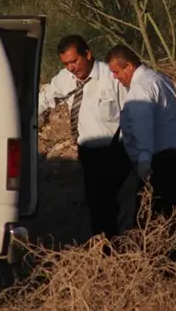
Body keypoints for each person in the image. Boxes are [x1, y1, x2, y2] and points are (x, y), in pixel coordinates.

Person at [38, 35, 133, 240]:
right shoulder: (64, 79)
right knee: (95, 203)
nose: (71, 68)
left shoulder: (111, 77)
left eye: (75, 61)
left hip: (115, 150)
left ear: (88, 55)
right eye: (66, 63)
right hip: (87, 152)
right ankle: (102, 247)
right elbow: (44, 100)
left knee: (115, 203)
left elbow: (131, 111)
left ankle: (120, 247)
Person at [105, 44, 176, 224]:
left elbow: (143, 124)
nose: (115, 77)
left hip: (161, 163)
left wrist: (144, 157)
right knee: (173, 219)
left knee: (151, 221)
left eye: (116, 72)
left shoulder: (141, 88)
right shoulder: (159, 79)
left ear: (129, 66)